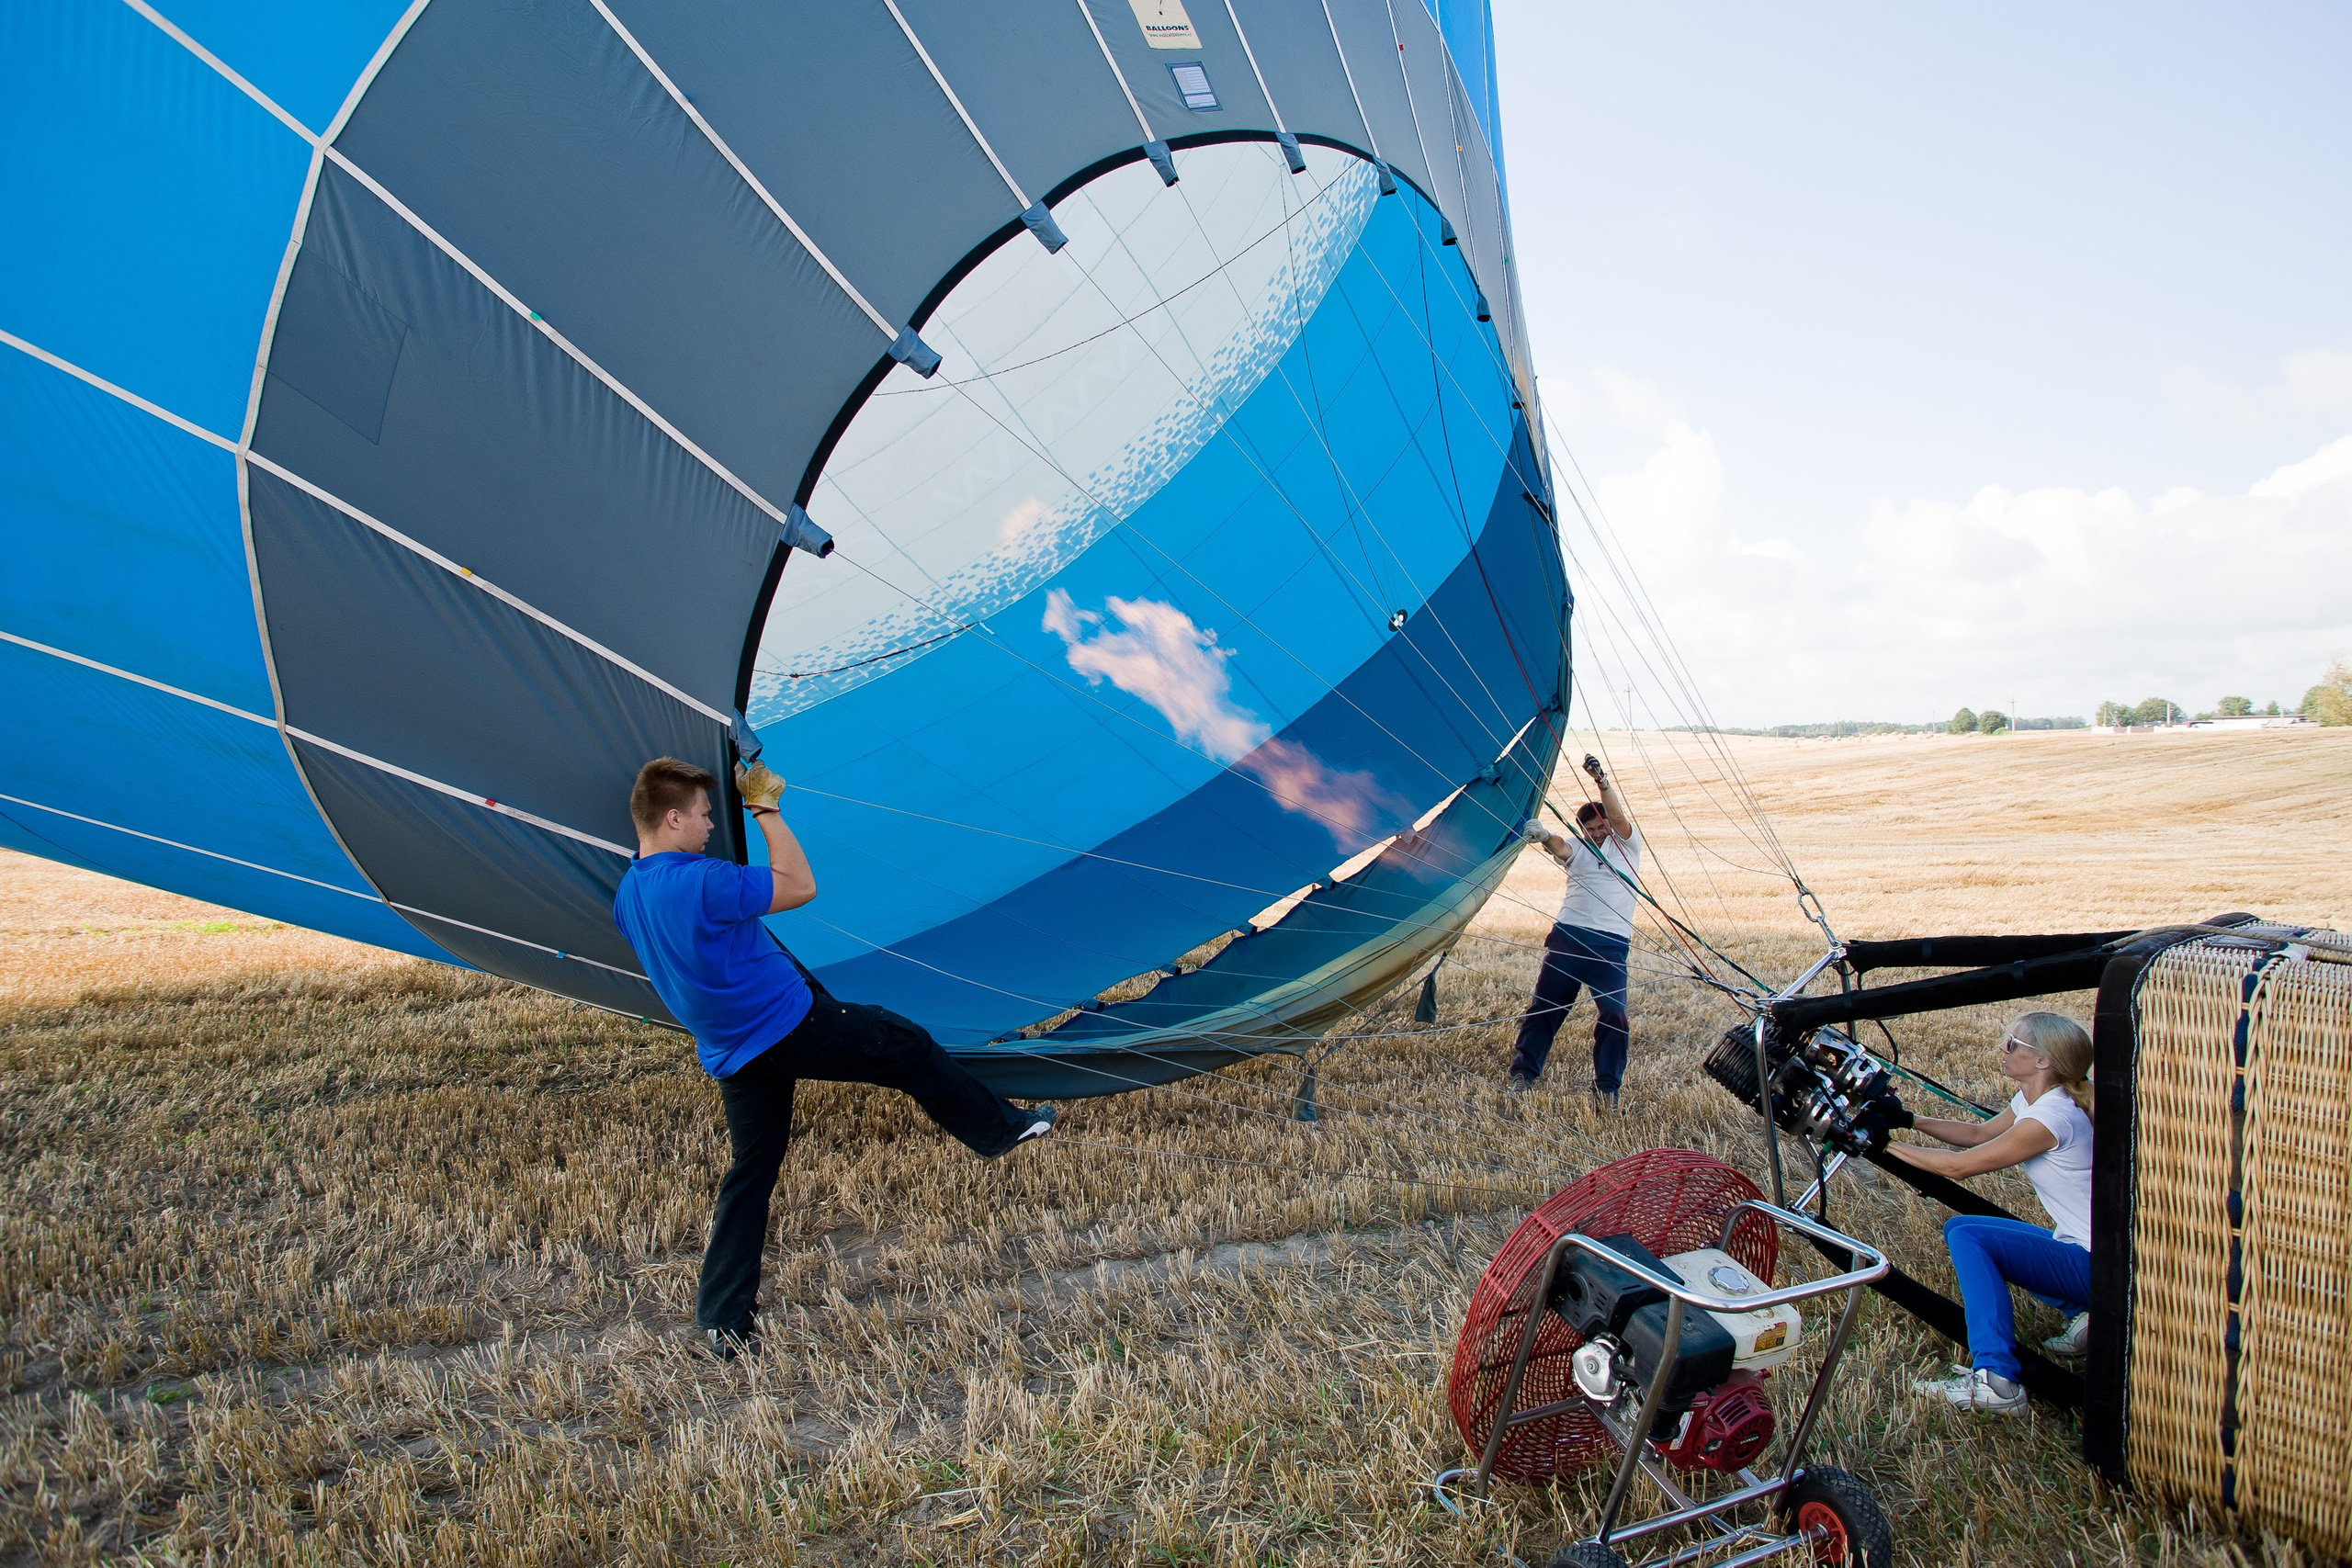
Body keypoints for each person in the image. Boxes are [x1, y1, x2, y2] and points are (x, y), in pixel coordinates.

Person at [612, 756, 1055, 1360]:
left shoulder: (629, 893)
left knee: (750, 1173)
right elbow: (799, 885)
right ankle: (998, 1130)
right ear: (672, 818)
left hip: (731, 1053)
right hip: (787, 1026)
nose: (711, 825)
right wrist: (765, 809)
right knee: (907, 1044)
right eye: (704, 814)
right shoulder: (703, 880)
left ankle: (723, 1320)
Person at [1889, 1010, 2096, 1414]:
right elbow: (1977, 1135)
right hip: (2090, 1252)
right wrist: (1909, 1120)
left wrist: (1881, 1143)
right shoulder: (2038, 1099)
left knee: (1972, 1238)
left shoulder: (2052, 1117)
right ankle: (2086, 1315)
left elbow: (1958, 1167)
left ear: (2043, 1061)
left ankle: (1997, 1381)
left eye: (2013, 1043)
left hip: (2098, 1268)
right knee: (1961, 1226)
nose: (2003, 1047)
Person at [1510, 755, 1641, 1101]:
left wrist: (1601, 781)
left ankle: (1608, 1087)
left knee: (1615, 1014)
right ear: (1582, 829)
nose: (1596, 833)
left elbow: (1618, 817)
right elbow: (1561, 846)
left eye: (1600, 827)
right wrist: (1544, 835)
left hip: (1611, 946)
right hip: (1568, 937)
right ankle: (1523, 1073)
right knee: (1546, 1008)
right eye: (1589, 829)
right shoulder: (1580, 847)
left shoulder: (1627, 845)